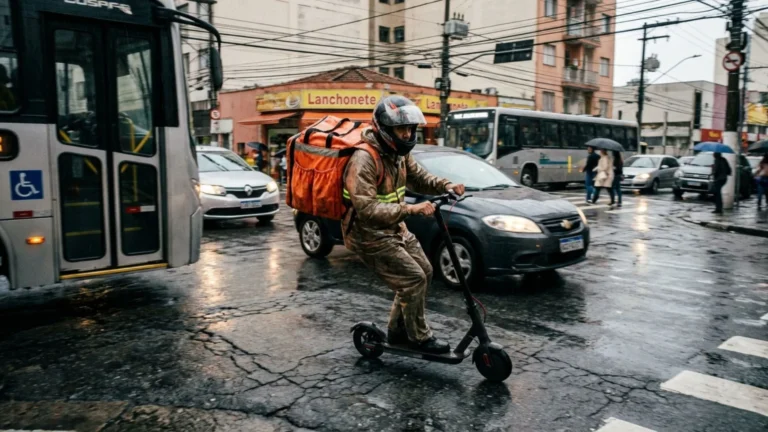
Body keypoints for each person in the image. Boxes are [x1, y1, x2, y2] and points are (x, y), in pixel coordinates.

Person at [342, 96, 465, 355]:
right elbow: (367, 210)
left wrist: (446, 185)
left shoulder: (399, 154)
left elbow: (420, 178)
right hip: (368, 235)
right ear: (384, 129)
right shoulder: (363, 160)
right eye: (402, 129)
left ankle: (398, 331)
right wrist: (411, 209)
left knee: (426, 272)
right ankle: (419, 338)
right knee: (413, 278)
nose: (407, 134)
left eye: (410, 128)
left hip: (394, 229)